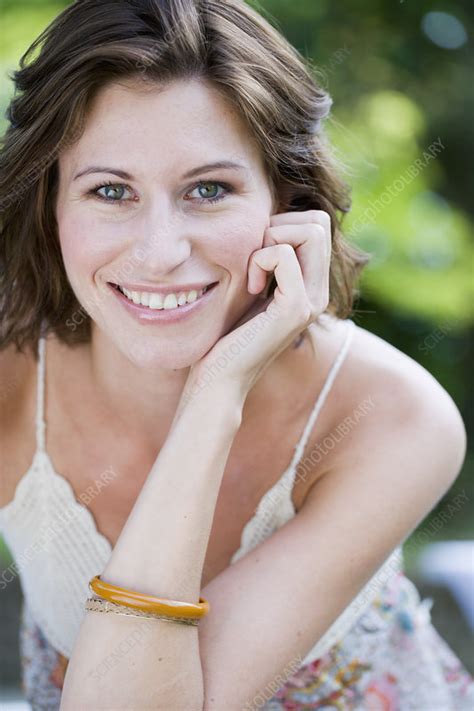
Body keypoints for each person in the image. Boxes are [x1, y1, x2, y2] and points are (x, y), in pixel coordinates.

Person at [0, 1, 472, 708]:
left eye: (210, 189)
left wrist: (215, 393)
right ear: (51, 205)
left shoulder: (395, 419)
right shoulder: (12, 368)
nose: (161, 254)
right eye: (109, 190)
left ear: (288, 199)